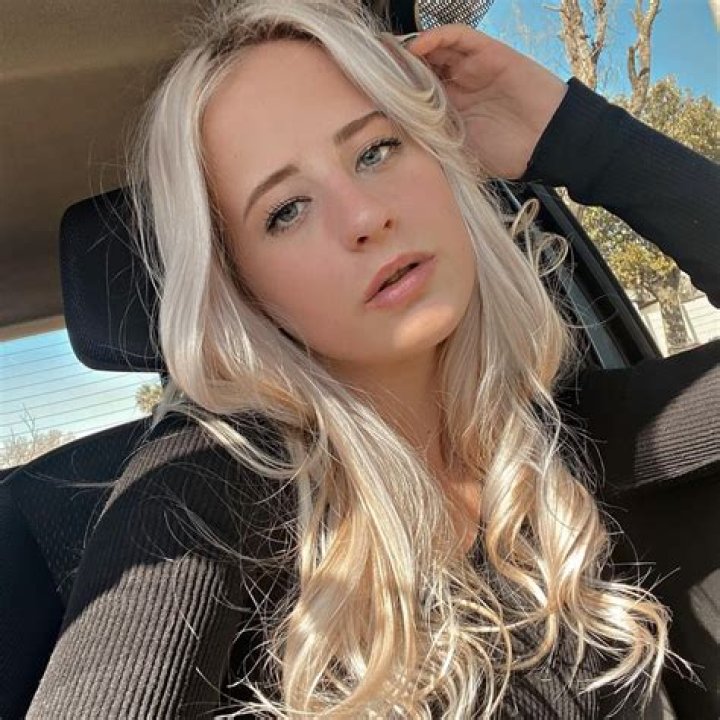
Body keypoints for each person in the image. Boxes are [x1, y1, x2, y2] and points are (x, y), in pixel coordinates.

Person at [27, 1, 718, 718]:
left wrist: (578, 137)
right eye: (286, 210)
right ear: (244, 291)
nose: (364, 217)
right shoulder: (205, 491)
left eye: (376, 151)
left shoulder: (577, 435)